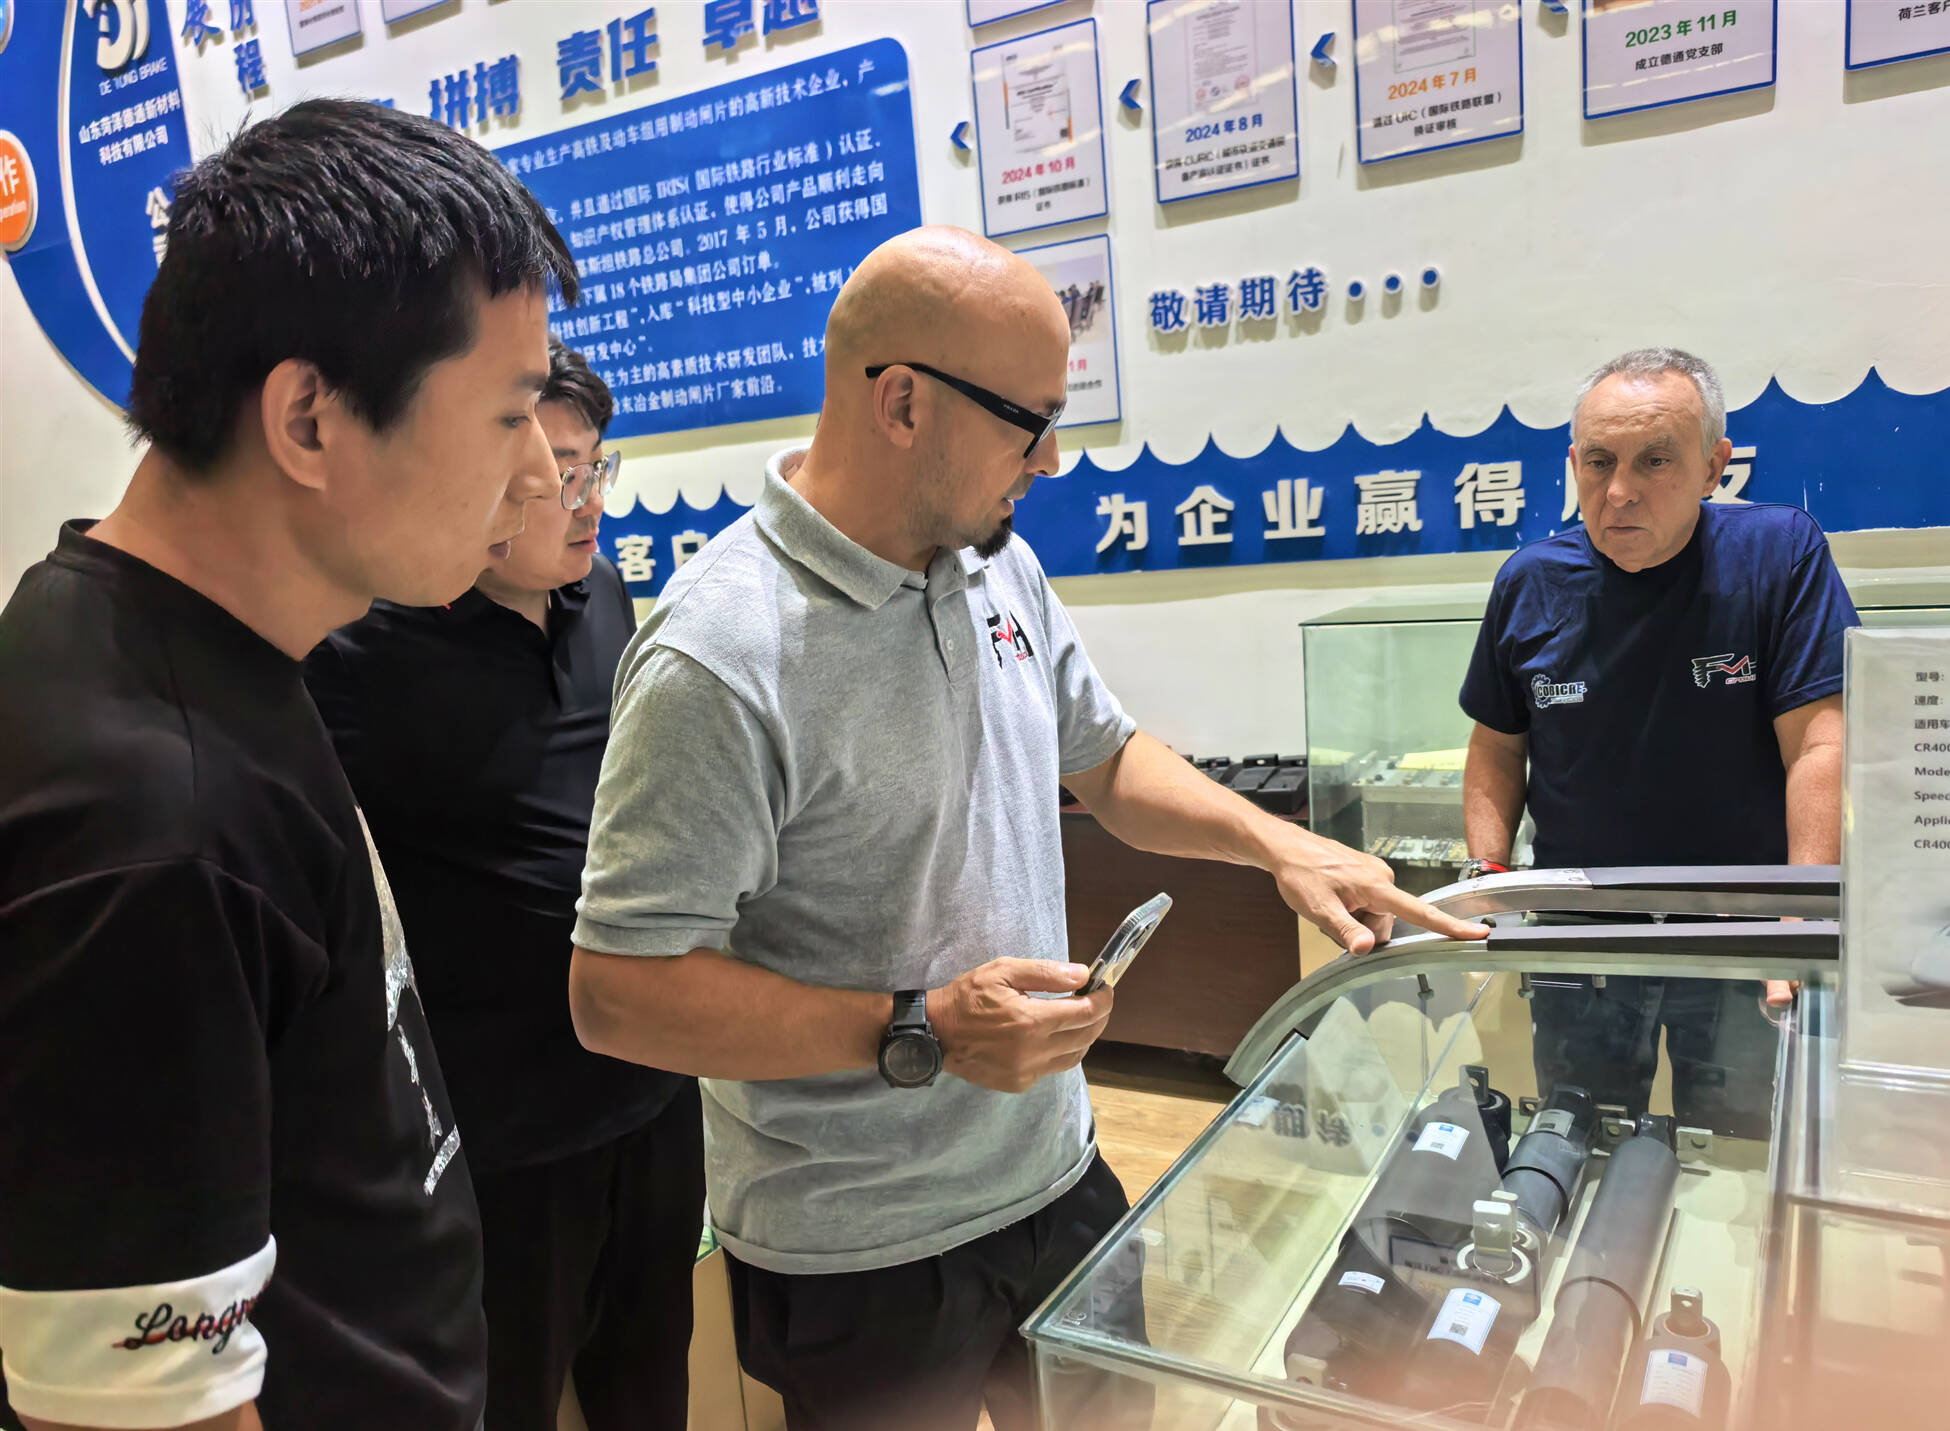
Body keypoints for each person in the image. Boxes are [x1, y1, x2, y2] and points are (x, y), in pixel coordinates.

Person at [565, 224, 1489, 1431]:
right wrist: (921, 1030)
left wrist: (1278, 842)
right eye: (1031, 421)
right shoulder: (717, 656)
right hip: (861, 1249)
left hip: (1056, 1173)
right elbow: (618, 993)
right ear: (902, 402)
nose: (1053, 459)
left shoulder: (992, 559)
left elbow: (1105, 760)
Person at [0, 100, 576, 1431]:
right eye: (508, 417)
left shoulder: (202, 644)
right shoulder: (151, 823)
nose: (542, 478)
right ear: (309, 419)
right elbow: (134, 1407)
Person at [304, 340, 702, 1431]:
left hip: (655, 1089)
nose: (586, 500)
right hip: (507, 1131)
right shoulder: (361, 648)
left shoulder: (605, 598)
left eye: (597, 466)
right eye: (559, 474)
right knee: (510, 1394)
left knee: (650, 1383)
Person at [1459, 346, 1856, 1139]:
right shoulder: (1530, 582)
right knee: (1579, 1139)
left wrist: (1800, 920)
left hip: (1741, 926)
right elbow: (1498, 747)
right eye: (1599, 461)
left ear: (1714, 466)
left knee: (1746, 1142)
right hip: (1583, 931)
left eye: (1655, 460)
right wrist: (1487, 881)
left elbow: (1819, 744)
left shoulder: (1778, 555)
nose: (1619, 491)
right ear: (1573, 462)